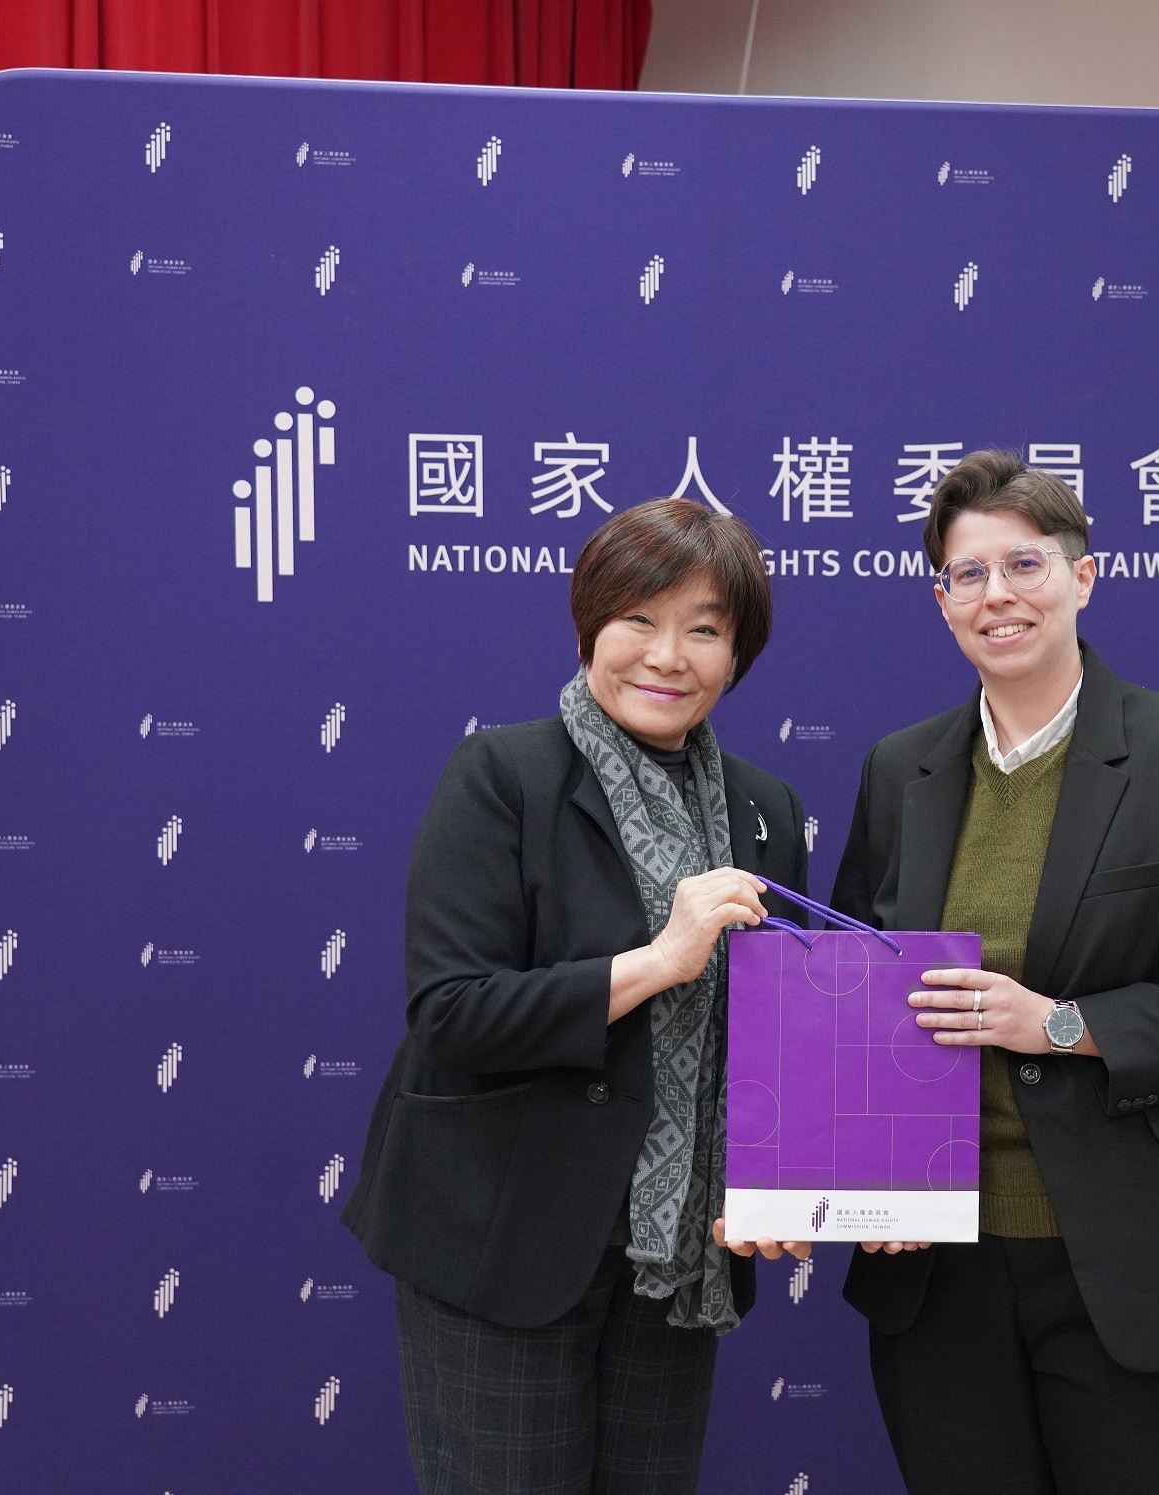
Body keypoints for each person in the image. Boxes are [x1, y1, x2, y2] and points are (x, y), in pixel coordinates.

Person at [832, 450, 1159, 1495]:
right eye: (968, 574)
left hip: (1155, 1266)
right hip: (943, 1278)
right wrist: (856, 1185)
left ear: (1082, 576)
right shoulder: (900, 769)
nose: (996, 595)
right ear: (940, 600)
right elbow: (859, 999)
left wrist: (1059, 1022)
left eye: (1025, 564)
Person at [341, 498, 810, 1495]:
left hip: (674, 1257)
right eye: (639, 618)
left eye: (704, 629)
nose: (666, 655)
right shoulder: (503, 776)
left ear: (736, 655)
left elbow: (782, 1037)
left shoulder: (764, 810)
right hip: (503, 1237)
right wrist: (660, 958)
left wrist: (786, 1176)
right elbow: (454, 1012)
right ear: (591, 623)